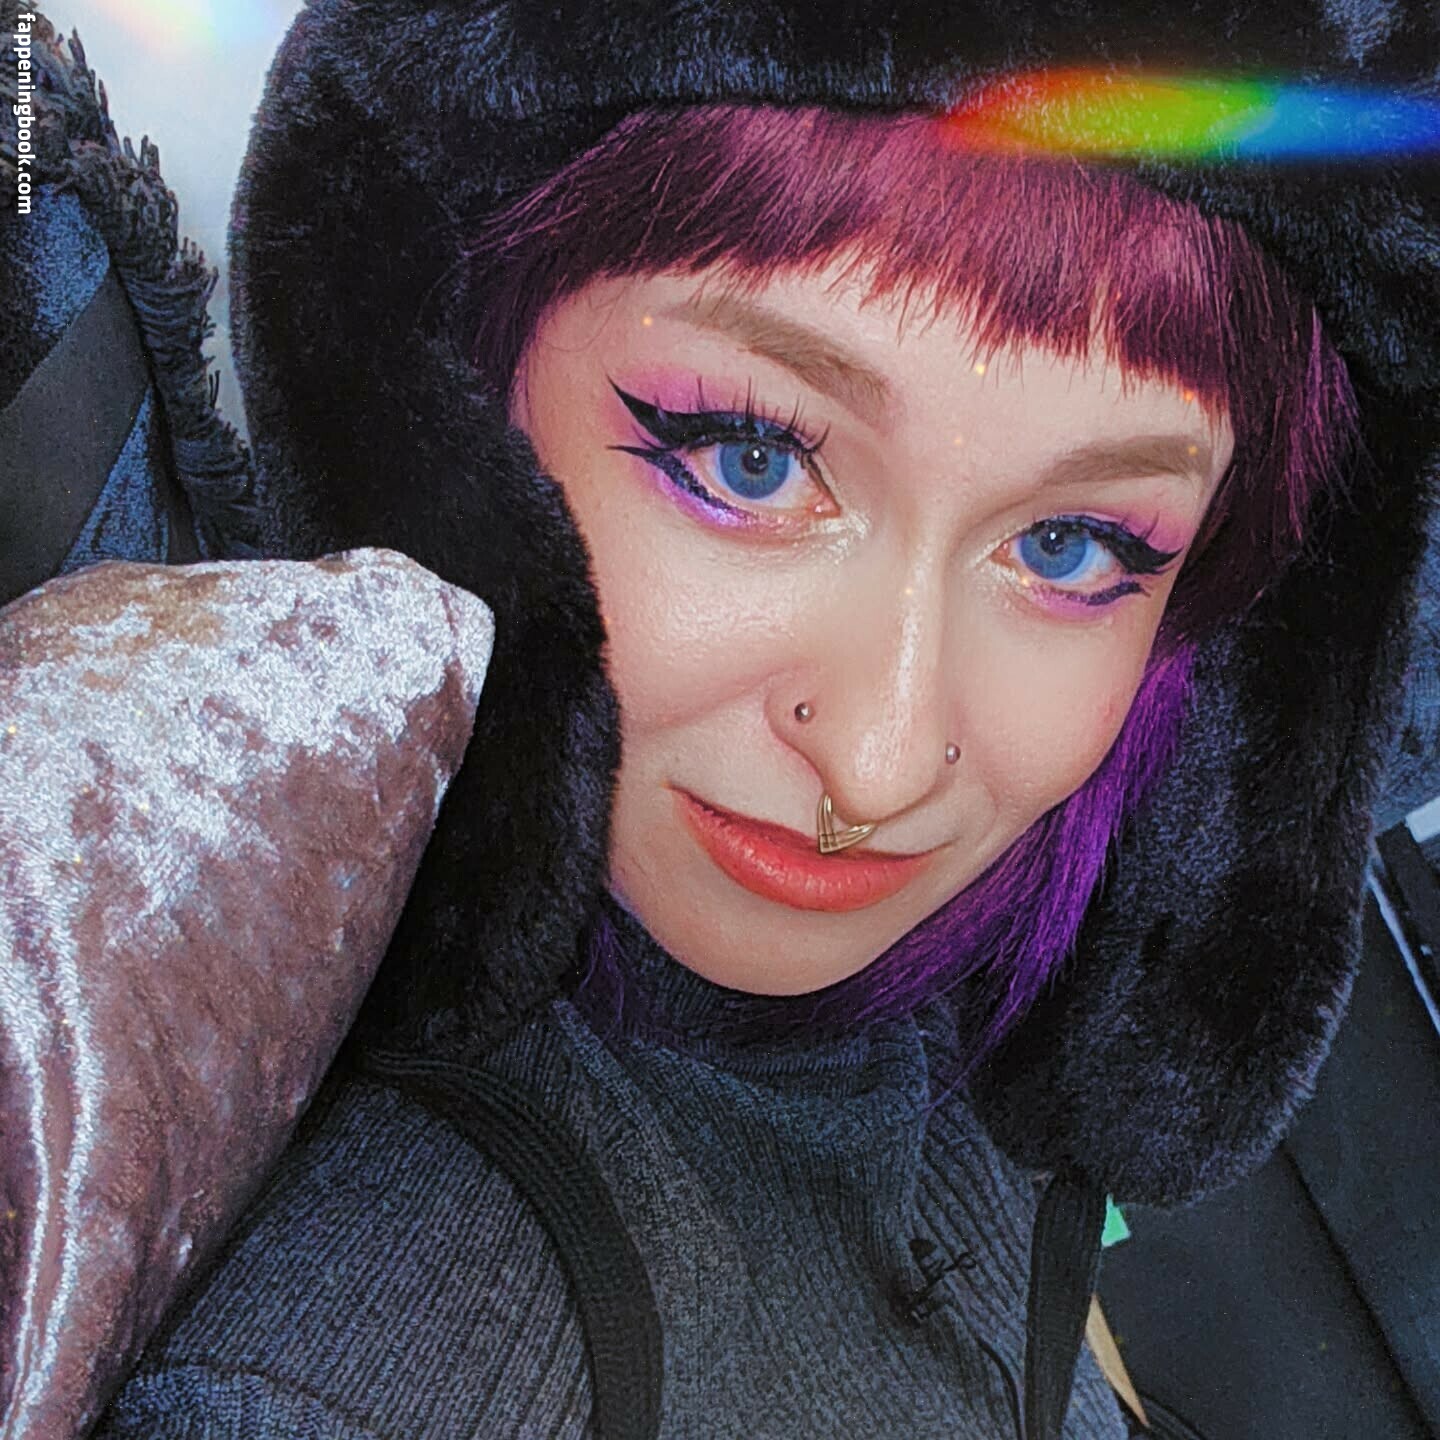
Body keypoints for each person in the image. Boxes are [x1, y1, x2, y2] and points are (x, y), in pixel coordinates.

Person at [94, 0, 1437, 1436]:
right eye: (748, 459)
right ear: (448, 414)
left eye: (1072, 547)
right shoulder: (343, 1387)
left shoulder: (956, 1033)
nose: (879, 762)